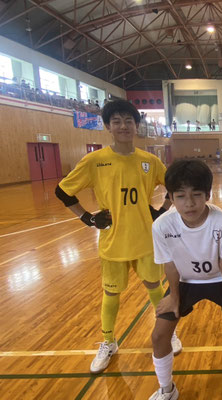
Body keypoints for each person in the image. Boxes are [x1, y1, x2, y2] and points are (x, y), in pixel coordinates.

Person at [54, 100, 180, 374]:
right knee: (111, 294)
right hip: (113, 242)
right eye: (117, 121)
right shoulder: (94, 161)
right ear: (108, 126)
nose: (123, 126)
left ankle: (168, 332)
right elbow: (63, 191)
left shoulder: (149, 161)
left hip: (145, 240)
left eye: (128, 121)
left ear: (136, 125)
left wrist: (161, 211)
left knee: (155, 288)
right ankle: (109, 342)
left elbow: (174, 185)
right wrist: (87, 218)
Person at [149, 160, 222, 400]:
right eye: (180, 196)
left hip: (220, 278)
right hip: (184, 281)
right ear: (170, 197)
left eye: (196, 195)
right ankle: (166, 389)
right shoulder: (162, 225)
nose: (189, 203)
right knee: (159, 335)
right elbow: (169, 265)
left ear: (208, 195)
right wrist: (173, 295)